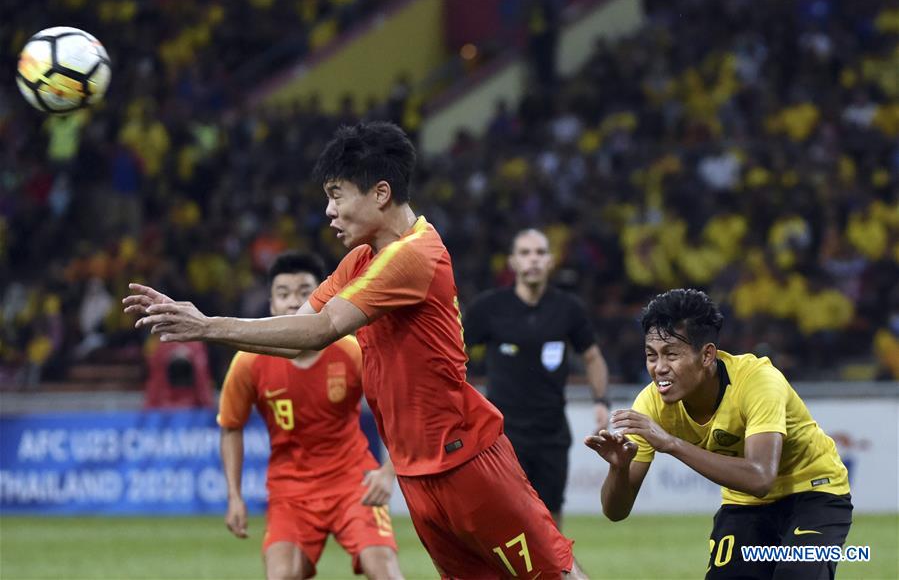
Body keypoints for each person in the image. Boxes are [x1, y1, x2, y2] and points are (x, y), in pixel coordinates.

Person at [124, 121, 586, 578]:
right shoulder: (362, 260)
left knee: (554, 575)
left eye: (336, 193)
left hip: (466, 463)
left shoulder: (413, 255)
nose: (328, 210)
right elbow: (298, 327)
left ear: (380, 193)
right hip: (416, 471)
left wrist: (206, 326)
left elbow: (323, 329)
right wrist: (205, 324)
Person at [585, 288, 852, 579]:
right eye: (651, 355)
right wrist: (618, 469)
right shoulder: (651, 403)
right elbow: (615, 512)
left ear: (707, 355)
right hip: (745, 505)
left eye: (671, 354)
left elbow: (761, 477)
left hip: (815, 492)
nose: (659, 368)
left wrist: (671, 444)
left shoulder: (759, 381)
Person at [217, 252, 402, 580]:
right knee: (282, 575)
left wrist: (388, 472)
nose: (293, 303)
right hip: (290, 491)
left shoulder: (352, 351)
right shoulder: (248, 362)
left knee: (385, 572)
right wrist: (234, 496)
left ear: (324, 298)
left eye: (305, 293)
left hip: (352, 482)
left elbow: (397, 411)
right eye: (283, 294)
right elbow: (231, 427)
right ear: (272, 305)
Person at [464, 228, 610, 527]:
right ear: (513, 262)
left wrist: (601, 401)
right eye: (526, 253)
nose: (533, 259)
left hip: (551, 432)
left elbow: (593, 357)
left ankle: (552, 573)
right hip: (502, 434)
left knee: (550, 516)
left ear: (551, 261)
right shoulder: (489, 308)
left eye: (540, 253)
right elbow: (453, 352)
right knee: (503, 516)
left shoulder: (568, 309)